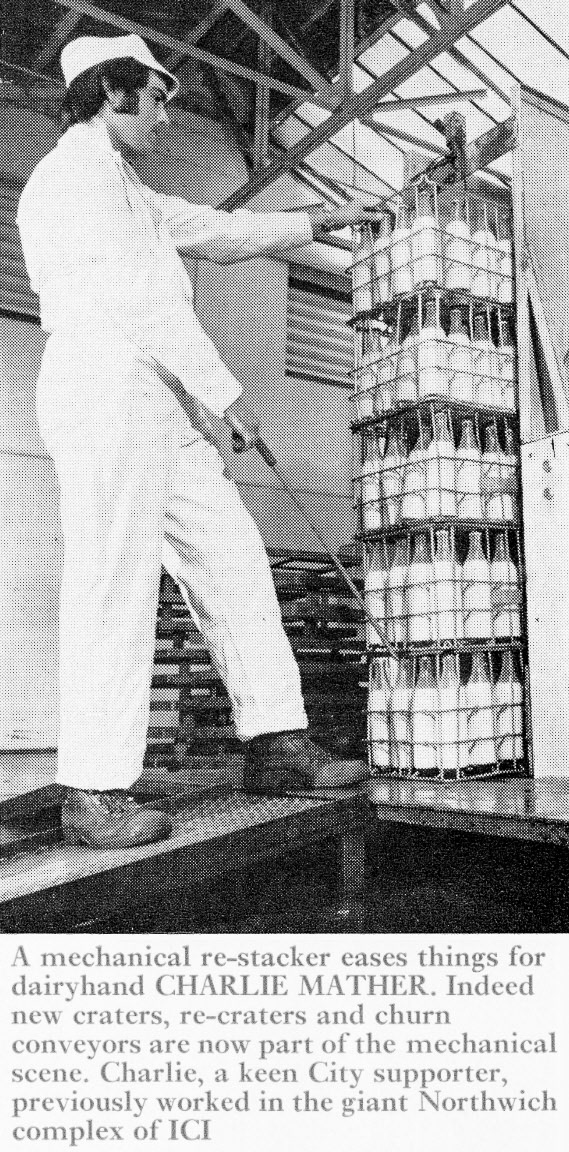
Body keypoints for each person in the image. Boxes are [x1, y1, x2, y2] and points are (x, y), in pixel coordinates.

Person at [17, 33, 378, 850]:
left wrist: (323, 217)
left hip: (152, 395)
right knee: (113, 584)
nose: (166, 113)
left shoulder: (123, 185)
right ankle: (93, 789)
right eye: (157, 96)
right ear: (113, 93)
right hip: (103, 385)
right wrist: (224, 397)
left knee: (232, 558)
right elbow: (144, 301)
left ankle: (275, 740)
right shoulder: (75, 177)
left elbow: (213, 229)